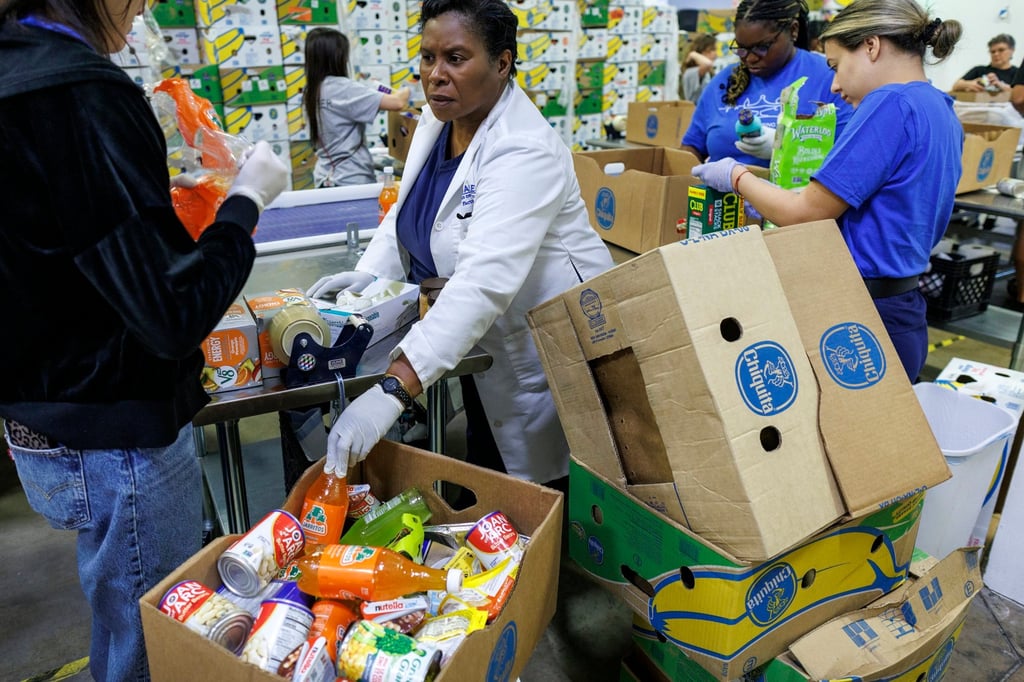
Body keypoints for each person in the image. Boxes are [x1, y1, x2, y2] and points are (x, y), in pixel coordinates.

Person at [0, 1, 290, 680]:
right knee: (153, 637)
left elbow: (53, 235)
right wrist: (245, 202)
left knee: (118, 607)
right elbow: (170, 315)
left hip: (43, 416)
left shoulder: (15, 69)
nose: (146, 8)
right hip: (119, 434)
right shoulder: (80, 90)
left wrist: (145, 205)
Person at [307, 0, 613, 489]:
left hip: (537, 357)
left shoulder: (523, 148)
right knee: (486, 479)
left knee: (538, 496)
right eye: (428, 57)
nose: (435, 75)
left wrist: (395, 389)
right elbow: (405, 219)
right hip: (473, 346)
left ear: (502, 62)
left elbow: (483, 280)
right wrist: (370, 282)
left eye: (455, 57)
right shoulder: (438, 125)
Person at [692, 0, 963, 382]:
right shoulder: (941, 108)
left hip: (862, 313)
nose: (834, 85)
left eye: (836, 67)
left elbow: (806, 212)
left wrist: (737, 177)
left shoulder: (890, 103)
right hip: (900, 308)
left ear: (871, 46)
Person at [681, 0, 851, 167]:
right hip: (721, 194)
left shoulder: (829, 79)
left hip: (795, 194)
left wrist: (790, 148)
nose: (750, 58)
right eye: (742, 48)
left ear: (793, 30)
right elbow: (691, 147)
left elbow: (849, 155)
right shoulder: (723, 82)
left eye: (762, 47)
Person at [303, 27, 411, 187]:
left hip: (324, 177)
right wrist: (410, 89)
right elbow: (397, 103)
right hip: (350, 178)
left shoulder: (311, 91)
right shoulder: (342, 87)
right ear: (336, 56)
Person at [951, 34, 1016, 95]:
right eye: (992, 52)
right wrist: (971, 84)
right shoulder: (979, 70)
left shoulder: (1018, 73)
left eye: (1001, 50)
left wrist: (1002, 86)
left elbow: (1020, 94)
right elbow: (956, 85)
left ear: (1012, 50)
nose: (996, 54)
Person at [682, 33, 718, 102]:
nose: (715, 54)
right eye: (712, 49)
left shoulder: (708, 73)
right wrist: (693, 54)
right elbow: (708, 64)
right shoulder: (691, 73)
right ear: (702, 51)